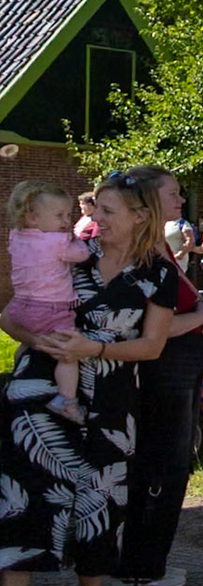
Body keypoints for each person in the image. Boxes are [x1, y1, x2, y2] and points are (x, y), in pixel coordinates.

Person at [0, 173, 183, 586]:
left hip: (110, 400)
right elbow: (10, 314)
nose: (93, 218)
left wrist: (94, 348)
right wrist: (40, 341)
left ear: (139, 216)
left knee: (101, 500)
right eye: (94, 208)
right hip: (41, 392)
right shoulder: (69, 252)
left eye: (107, 210)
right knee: (26, 498)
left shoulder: (158, 274)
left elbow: (152, 345)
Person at [115, 166, 203, 586]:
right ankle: (140, 564)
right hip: (163, 372)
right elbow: (151, 328)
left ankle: (146, 560)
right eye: (173, 194)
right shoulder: (143, 254)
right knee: (162, 464)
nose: (181, 201)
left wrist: (201, 312)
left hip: (178, 367)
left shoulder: (160, 247)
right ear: (148, 200)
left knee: (170, 462)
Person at [6, 181, 96, 422]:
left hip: (20, 306)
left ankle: (21, 366)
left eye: (68, 215)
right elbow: (83, 254)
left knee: (29, 343)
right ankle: (67, 401)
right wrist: (74, 240)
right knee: (67, 354)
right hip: (50, 308)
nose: (66, 221)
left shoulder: (16, 236)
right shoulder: (56, 242)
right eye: (59, 216)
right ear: (33, 217)